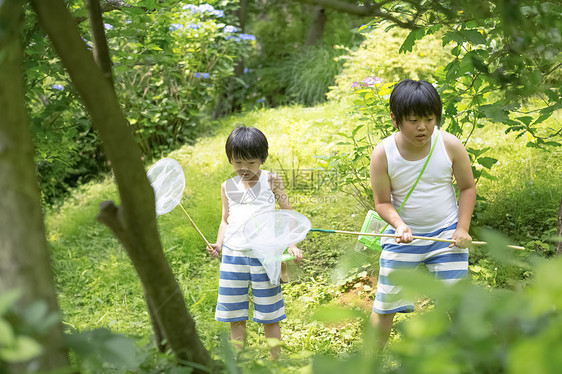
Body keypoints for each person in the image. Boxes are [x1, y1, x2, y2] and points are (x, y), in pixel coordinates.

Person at [368, 79, 476, 350]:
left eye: (429, 119)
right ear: (395, 119)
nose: (423, 127)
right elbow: (382, 202)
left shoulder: (449, 145)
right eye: (414, 120)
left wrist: (461, 229)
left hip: (446, 234)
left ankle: (469, 361)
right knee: (384, 305)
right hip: (404, 236)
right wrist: (399, 225)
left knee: (458, 303)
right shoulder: (383, 154)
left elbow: (467, 188)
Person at [207, 125, 303, 359]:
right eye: (238, 162)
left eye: (250, 163)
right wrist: (219, 245)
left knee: (270, 312)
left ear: (262, 159)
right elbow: (225, 220)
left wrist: (292, 244)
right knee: (235, 314)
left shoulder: (272, 181)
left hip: (265, 255)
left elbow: (287, 212)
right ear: (230, 160)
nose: (244, 169)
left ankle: (276, 361)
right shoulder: (227, 187)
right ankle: (238, 360)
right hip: (234, 254)